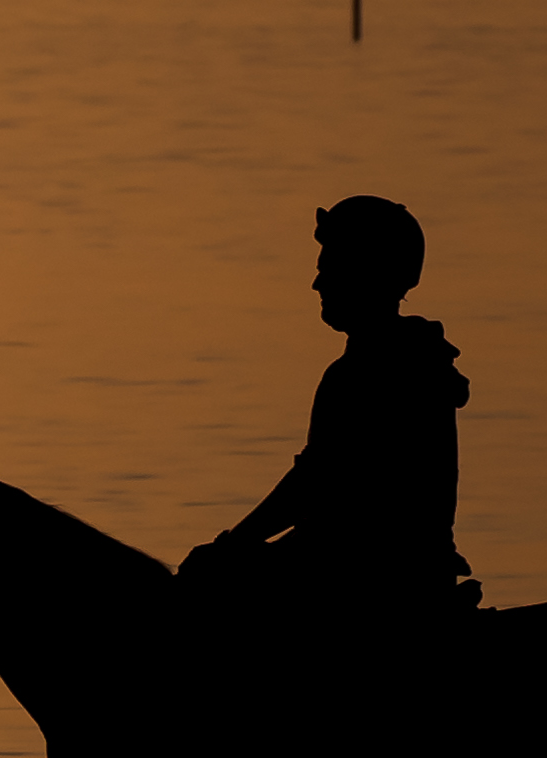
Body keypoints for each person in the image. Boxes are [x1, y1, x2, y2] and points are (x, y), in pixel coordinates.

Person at [187, 192, 475, 618]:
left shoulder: (366, 372)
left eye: (329, 269)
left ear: (365, 273)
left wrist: (234, 545)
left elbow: (317, 485)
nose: (317, 283)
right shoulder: (410, 357)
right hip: (394, 568)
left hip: (372, 579)